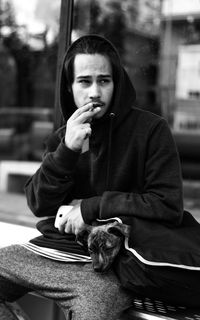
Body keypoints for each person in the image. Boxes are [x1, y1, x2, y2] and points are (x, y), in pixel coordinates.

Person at [1, 34, 200, 320]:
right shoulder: (64, 136)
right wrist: (67, 151)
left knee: (92, 309)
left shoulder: (151, 129)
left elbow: (167, 204)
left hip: (114, 263)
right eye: (84, 81)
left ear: (116, 84)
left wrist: (91, 207)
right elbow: (39, 204)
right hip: (57, 250)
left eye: (104, 81)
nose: (95, 92)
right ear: (70, 89)